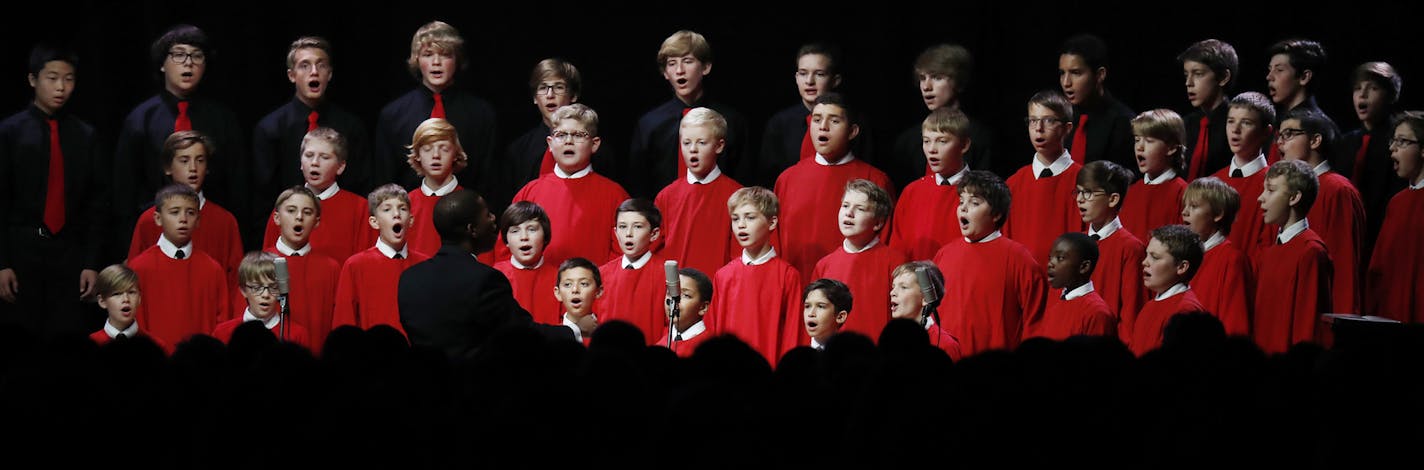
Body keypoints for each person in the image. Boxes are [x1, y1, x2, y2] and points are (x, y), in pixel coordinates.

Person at [113, 24, 248, 256]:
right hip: (155, 234)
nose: (189, 63)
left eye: (197, 56)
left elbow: (238, 184)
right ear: (162, 64)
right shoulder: (141, 119)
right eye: (179, 55)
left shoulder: (222, 119)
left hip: (211, 232)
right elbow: (124, 189)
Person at [399, 189, 582, 360]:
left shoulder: (409, 279)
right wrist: (574, 330)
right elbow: (521, 335)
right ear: (472, 230)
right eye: (487, 215)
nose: (494, 218)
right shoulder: (485, 280)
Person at [0, 43, 105, 337]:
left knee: (66, 338)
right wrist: (2, 263)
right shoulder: (10, 132)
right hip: (22, 250)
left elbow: (96, 204)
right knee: (20, 337)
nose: (61, 87)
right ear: (33, 79)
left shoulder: (85, 135)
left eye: (69, 79)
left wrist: (91, 263)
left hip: (68, 252)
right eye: (52, 77)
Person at [774, 92, 894, 277]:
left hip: (853, 285)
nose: (823, 127)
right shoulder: (787, 179)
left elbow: (884, 242)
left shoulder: (875, 179)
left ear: (852, 131)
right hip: (798, 289)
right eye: (817, 119)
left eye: (834, 121)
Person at [497, 104, 628, 266]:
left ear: (594, 144)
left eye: (578, 135)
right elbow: (505, 249)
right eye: (561, 135)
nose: (568, 141)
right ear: (550, 144)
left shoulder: (614, 195)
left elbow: (623, 254)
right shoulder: (530, 193)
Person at [933, 170, 1046, 356]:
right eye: (961, 201)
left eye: (975, 203)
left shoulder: (1019, 258)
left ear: (996, 214)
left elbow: (1036, 322)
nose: (963, 208)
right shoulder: (944, 255)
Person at [373, 21, 496, 191]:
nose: (436, 62)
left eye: (445, 55)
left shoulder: (481, 114)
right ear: (416, 59)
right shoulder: (393, 115)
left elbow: (488, 176)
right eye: (428, 54)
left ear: (457, 59)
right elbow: (385, 179)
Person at [628, 29, 747, 198]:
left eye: (687, 61)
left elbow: (743, 176)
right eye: (671, 63)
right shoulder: (649, 124)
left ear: (705, 67)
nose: (679, 70)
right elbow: (639, 181)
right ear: (665, 73)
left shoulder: (731, 121)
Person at [252, 36, 372, 200]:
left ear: (329, 74)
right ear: (292, 75)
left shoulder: (351, 127)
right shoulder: (270, 129)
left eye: (321, 65)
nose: (314, 72)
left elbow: (362, 185)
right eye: (304, 66)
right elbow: (263, 193)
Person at [1277, 109, 1364, 314]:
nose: (1280, 143)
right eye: (1279, 136)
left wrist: (1341, 321)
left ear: (1315, 140)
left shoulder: (1337, 190)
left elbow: (1344, 265)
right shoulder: (1290, 190)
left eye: (1289, 134)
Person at [126, 131, 243, 284]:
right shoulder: (149, 220)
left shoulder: (225, 221)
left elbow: (236, 279)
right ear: (168, 167)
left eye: (200, 160)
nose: (193, 168)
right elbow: (133, 279)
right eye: (184, 160)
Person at [127, 184, 230, 346]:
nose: (183, 219)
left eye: (190, 213)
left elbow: (221, 321)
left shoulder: (212, 269)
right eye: (175, 212)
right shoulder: (139, 268)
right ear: (158, 218)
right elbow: (135, 323)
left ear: (198, 220)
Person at [710, 187, 803, 365]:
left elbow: (793, 332)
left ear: (772, 222)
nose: (741, 225)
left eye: (750, 217)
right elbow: (714, 330)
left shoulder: (787, 276)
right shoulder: (723, 276)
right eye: (735, 219)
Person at [260, 127, 375, 262]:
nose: (314, 163)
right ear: (301, 163)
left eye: (324, 157)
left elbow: (365, 262)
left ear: (340, 167)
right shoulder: (285, 206)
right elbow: (267, 262)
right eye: (309, 156)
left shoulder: (360, 208)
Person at [810, 179, 907, 340]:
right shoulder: (825, 265)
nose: (849, 213)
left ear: (878, 223)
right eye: (845, 206)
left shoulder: (895, 262)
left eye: (860, 208)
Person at [1253, 160, 1332, 354]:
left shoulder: (1310, 252)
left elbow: (1308, 323)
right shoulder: (1272, 251)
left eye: (1270, 190)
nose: (1260, 198)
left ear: (1294, 197)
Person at [331, 184, 430, 337]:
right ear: (374, 222)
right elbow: (345, 322)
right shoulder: (355, 265)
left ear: (410, 220)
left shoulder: (425, 265)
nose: (396, 214)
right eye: (387, 209)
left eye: (402, 209)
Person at [654, 107, 743, 276]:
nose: (693, 149)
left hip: (718, 291)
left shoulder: (737, 196)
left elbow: (740, 254)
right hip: (677, 293)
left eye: (701, 142)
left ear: (719, 146)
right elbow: (657, 250)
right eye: (686, 143)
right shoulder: (666, 196)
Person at [889, 43, 994, 184]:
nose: (926, 87)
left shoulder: (979, 137)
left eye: (937, 78)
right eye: (922, 78)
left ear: (959, 81)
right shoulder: (907, 141)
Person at [1005, 90, 1084, 266]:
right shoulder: (1014, 183)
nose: (1038, 128)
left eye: (1048, 120)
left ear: (1067, 128)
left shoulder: (1083, 180)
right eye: (1033, 121)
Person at [497, 58, 582, 212]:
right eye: (543, 88)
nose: (550, 94)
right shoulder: (518, 150)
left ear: (573, 95)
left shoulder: (591, 148)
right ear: (535, 98)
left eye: (559, 87)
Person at [756, 42, 846, 188]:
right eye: (803, 73)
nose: (809, 81)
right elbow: (767, 179)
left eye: (819, 74)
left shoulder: (851, 122)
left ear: (835, 80)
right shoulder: (779, 124)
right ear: (796, 78)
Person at [889, 107, 973, 260]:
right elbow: (897, 249)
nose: (932, 149)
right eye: (926, 141)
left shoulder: (979, 193)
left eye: (942, 141)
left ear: (964, 145)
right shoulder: (912, 192)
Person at [264, 186, 342, 349]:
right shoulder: (259, 264)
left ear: (316, 222)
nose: (299, 217)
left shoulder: (331, 268)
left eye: (307, 212)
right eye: (291, 211)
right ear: (277, 218)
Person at [1365, 111, 1424, 323]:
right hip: (1391, 319)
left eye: (1402, 141)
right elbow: (1379, 269)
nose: (1392, 148)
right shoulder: (1397, 203)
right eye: (1393, 140)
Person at [1075, 160, 1146, 335]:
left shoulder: (1131, 248)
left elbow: (1131, 313)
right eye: (1078, 192)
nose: (1079, 199)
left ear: (1113, 199)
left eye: (1088, 192)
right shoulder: (1075, 243)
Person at [1345, 62, 1406, 263]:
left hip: (1384, 238)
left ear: (1390, 96)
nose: (1362, 95)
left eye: (1373, 88)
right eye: (1357, 88)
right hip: (1349, 237)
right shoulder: (1347, 141)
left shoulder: (1400, 141)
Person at [1180, 177, 1253, 336]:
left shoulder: (1232, 259)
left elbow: (1235, 324)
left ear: (1218, 213)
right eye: (1185, 206)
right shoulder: (1185, 257)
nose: (1184, 212)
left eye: (1193, 206)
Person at [1212, 92, 1276, 264]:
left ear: (1266, 132)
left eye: (1246, 123)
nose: (1235, 129)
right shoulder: (1213, 182)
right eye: (1231, 121)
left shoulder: (1274, 185)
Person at [1058, 34, 1135, 170]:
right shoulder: (1061, 119)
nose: (1066, 82)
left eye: (1076, 73)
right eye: (1062, 73)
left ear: (1100, 75)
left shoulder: (1124, 123)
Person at [596, 199, 669, 342]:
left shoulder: (666, 274)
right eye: (622, 227)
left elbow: (672, 325)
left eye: (637, 227)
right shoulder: (602, 274)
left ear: (654, 234)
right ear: (616, 232)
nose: (628, 233)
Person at [1131, 225, 1207, 356]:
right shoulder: (1149, 306)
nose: (1144, 262)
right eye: (1147, 255)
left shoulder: (1185, 312)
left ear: (1182, 267)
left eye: (1155, 257)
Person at [211, 251, 311, 349]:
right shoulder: (223, 333)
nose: (266, 295)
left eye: (273, 287)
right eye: (257, 288)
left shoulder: (297, 335)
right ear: (243, 290)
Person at [1031, 233, 1115, 340]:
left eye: (1060, 258)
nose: (1050, 263)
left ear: (1084, 267)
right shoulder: (1054, 303)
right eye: (1050, 257)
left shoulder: (1097, 314)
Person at [1264, 38, 1335, 163]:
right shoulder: (1275, 121)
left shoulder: (1321, 127)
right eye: (1270, 69)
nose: (1269, 77)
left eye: (1279, 70)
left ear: (1304, 77)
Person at [1120, 109, 1189, 236]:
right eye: (1137, 140)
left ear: (1172, 148)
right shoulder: (1131, 192)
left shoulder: (1183, 193)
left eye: (1149, 141)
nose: (1139, 147)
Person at [404, 118, 467, 257]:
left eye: (444, 149)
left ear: (455, 154)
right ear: (417, 155)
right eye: (427, 149)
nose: (436, 155)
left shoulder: (470, 204)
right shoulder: (406, 204)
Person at [492, 201, 562, 325]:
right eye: (515, 231)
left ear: (545, 237)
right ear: (506, 240)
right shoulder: (495, 276)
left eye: (531, 229)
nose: (524, 237)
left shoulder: (560, 278)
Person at [1179, 39, 1239, 180]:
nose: (1189, 83)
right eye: (1186, 75)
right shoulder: (1186, 125)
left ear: (1223, 77)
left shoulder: (1236, 123)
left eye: (1198, 74)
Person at [886, 261, 961, 360]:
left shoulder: (945, 345)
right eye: (893, 287)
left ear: (925, 298)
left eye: (903, 287)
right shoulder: (892, 340)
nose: (892, 292)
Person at [89, 264, 169, 352]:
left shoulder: (156, 346)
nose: (126, 299)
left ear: (139, 298)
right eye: (117, 294)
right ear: (102, 301)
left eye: (131, 292)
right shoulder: (91, 346)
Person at [655, 267, 713, 357]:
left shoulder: (710, 349)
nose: (674, 300)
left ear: (703, 307)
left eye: (686, 295)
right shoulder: (660, 346)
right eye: (670, 293)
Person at [553, 257, 603, 346]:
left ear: (598, 291)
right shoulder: (550, 338)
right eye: (568, 284)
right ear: (558, 293)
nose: (575, 290)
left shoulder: (608, 337)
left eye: (584, 284)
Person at [802, 278, 851, 350]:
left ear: (840, 317)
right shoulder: (796, 356)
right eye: (807, 306)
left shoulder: (851, 358)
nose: (811, 313)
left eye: (820, 306)